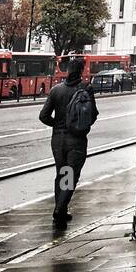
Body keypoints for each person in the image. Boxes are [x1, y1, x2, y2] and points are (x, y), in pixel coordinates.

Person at [38, 57, 98, 227]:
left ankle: (61, 210)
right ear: (81, 71)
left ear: (67, 70)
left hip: (57, 139)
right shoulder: (86, 88)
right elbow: (92, 115)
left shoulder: (56, 90)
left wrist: (57, 124)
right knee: (71, 175)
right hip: (76, 140)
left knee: (62, 173)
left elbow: (43, 116)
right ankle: (59, 209)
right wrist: (80, 125)